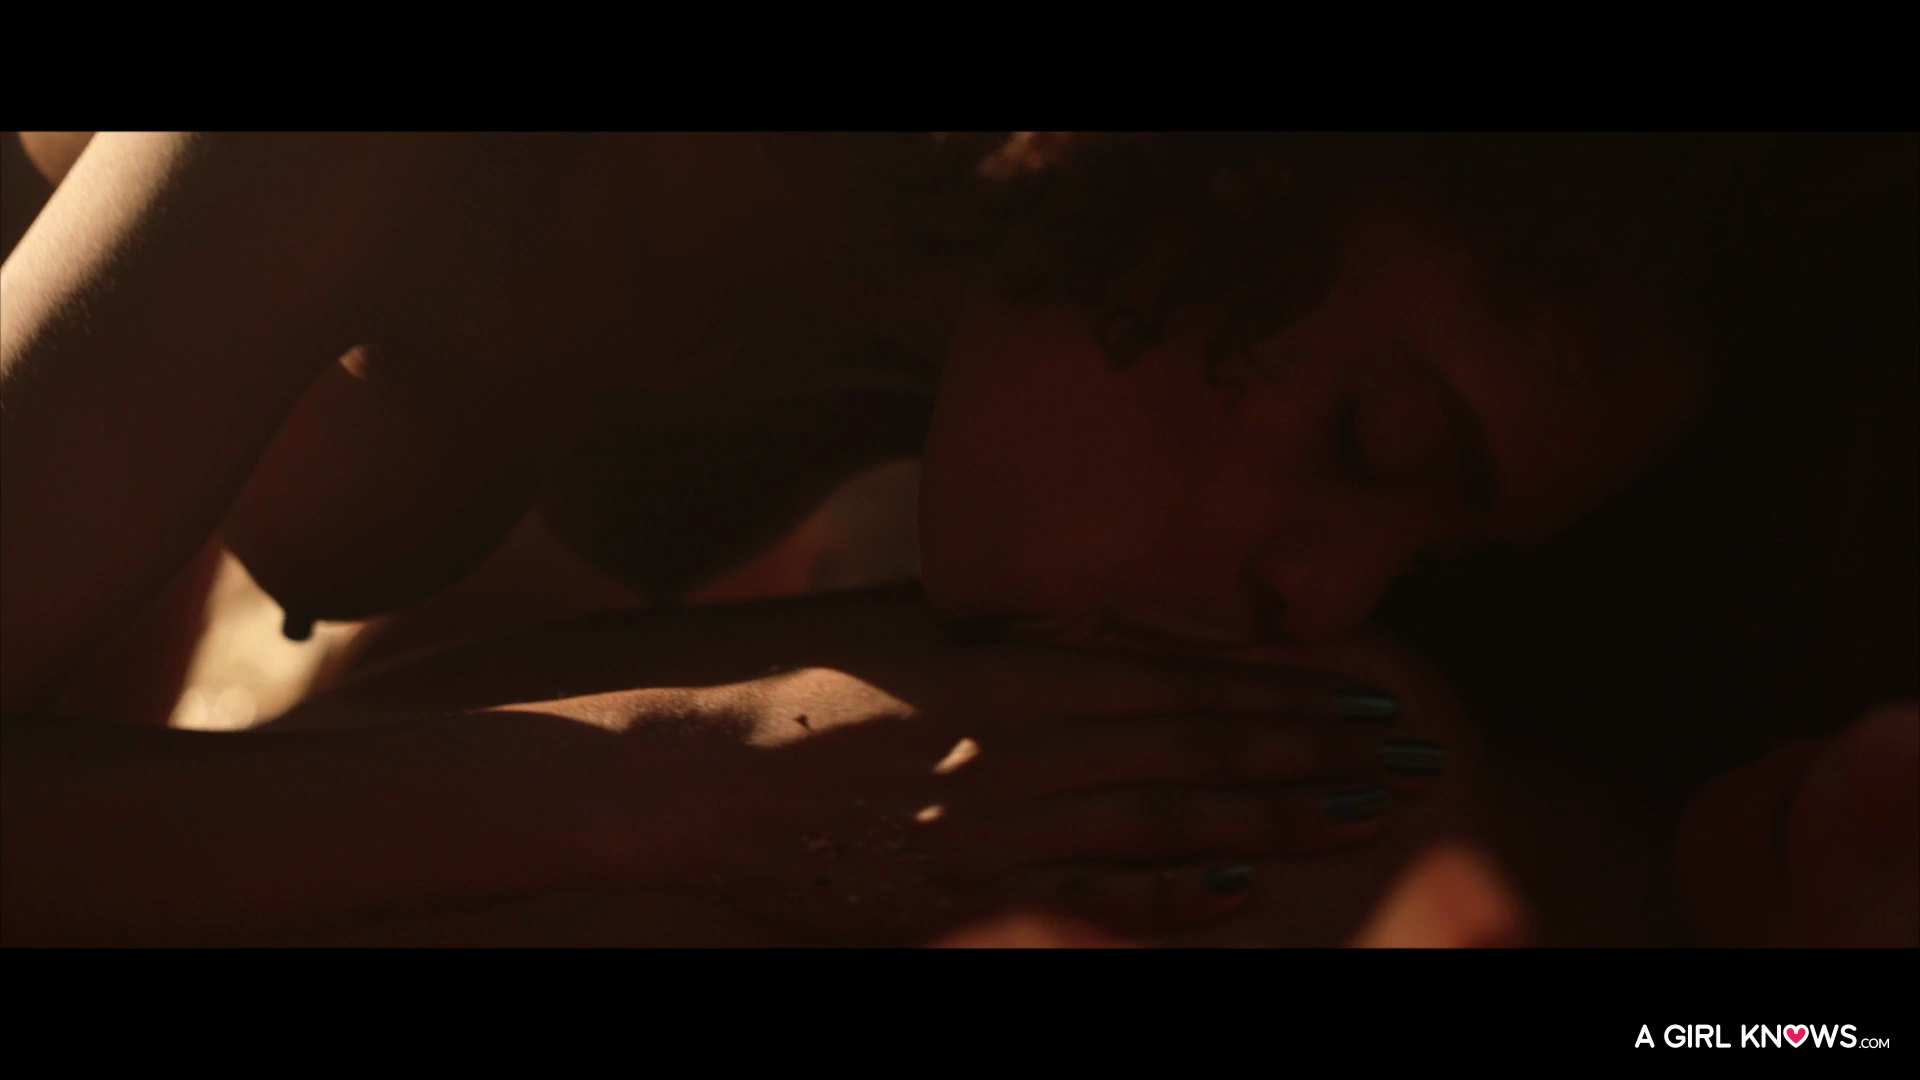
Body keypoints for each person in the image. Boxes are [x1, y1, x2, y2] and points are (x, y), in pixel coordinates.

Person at [1, 132, 1912, 945]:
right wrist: (691, 776)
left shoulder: (907, 312)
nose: (1321, 582)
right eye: (1377, 440)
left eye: (1427, 544)